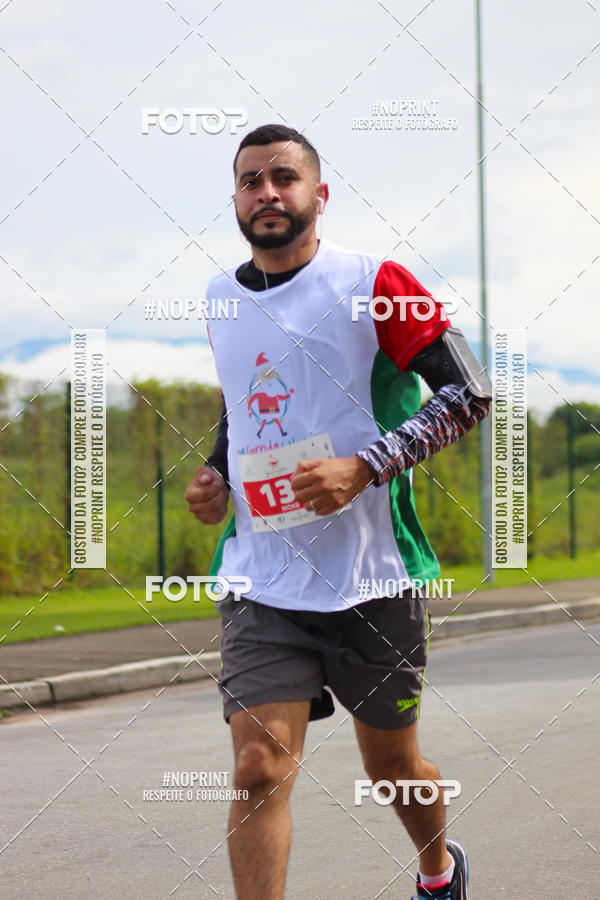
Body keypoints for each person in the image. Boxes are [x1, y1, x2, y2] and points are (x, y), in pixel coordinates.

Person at [185, 124, 491, 900]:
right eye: (251, 181)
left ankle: (437, 868)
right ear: (236, 199)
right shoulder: (221, 298)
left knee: (391, 766)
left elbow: (470, 393)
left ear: (319, 195)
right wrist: (217, 475)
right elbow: (246, 407)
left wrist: (367, 466)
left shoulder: (374, 281)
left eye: (284, 177)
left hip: (372, 577)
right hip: (263, 579)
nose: (268, 193)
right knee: (258, 769)